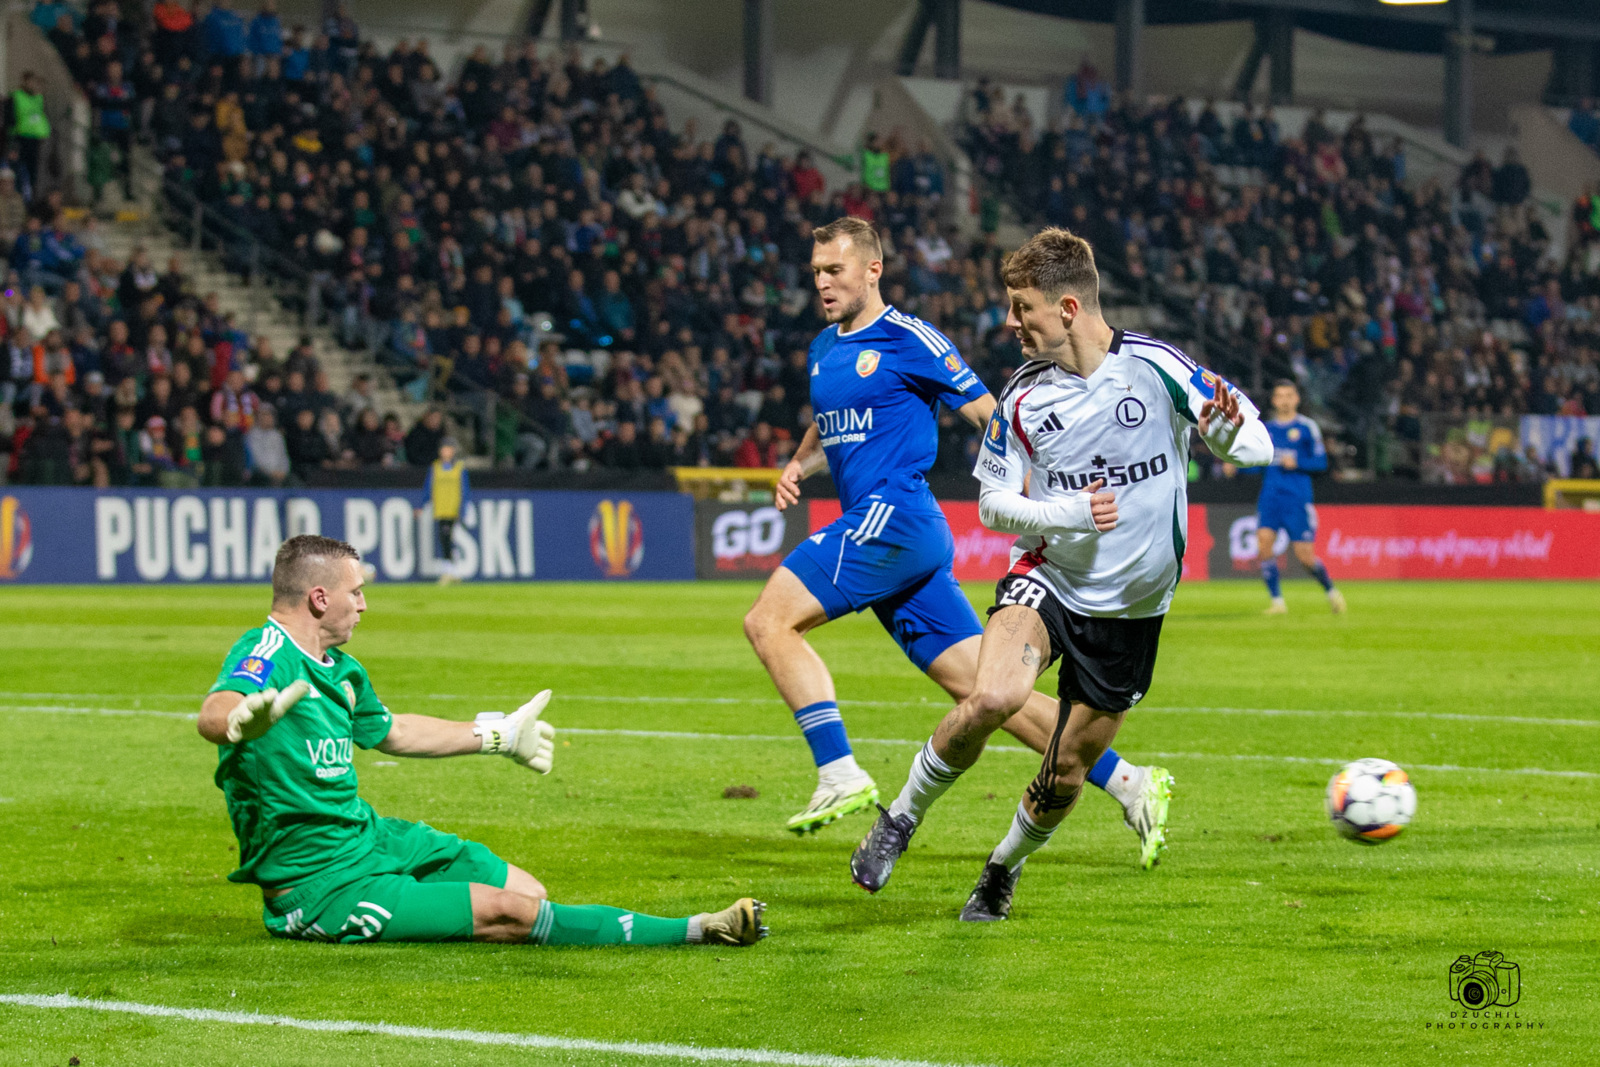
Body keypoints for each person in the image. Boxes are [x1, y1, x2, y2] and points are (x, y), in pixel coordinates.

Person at [849, 227, 1274, 919]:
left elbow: (1255, 442)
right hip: (1049, 577)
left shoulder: (1158, 366)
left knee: (1068, 768)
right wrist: (1071, 511)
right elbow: (991, 502)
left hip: (1134, 609)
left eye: (1022, 308)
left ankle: (1002, 866)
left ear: (1068, 308)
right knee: (993, 697)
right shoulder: (1022, 395)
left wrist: (1228, 435)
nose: (1009, 323)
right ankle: (899, 817)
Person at [742, 217, 1170, 868]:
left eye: (835, 270)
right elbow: (827, 421)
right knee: (986, 693)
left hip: (899, 516)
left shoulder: (910, 338)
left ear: (872, 270)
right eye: (817, 273)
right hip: (888, 540)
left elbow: (989, 412)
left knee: (768, 620)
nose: (823, 283)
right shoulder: (823, 349)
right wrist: (800, 464)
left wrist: (1042, 491)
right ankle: (1128, 780)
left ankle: (839, 771)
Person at [198, 534, 766, 947]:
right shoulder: (265, 652)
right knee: (508, 914)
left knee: (530, 893)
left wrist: (495, 736)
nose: (364, 605)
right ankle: (696, 929)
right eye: (357, 592)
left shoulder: (342, 669)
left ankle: (415, 896)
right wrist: (238, 721)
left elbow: (393, 731)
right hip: (317, 883)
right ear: (320, 598)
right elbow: (216, 710)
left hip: (370, 840)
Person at [1248, 380, 1345, 616]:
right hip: (1270, 497)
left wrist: (1298, 463)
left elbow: (1321, 462)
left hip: (1296, 499)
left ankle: (1331, 591)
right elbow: (1257, 462)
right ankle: (1277, 602)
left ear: (1296, 399)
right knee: (1264, 546)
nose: (1284, 400)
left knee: (1305, 558)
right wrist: (1237, 467)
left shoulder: (1307, 428)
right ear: (1273, 400)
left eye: (1289, 395)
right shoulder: (1265, 429)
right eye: (1279, 396)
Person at [426, 436, 467, 584]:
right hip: (440, 509)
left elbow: (465, 490)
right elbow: (428, 487)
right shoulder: (435, 467)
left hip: (452, 510)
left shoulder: (459, 468)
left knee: (446, 538)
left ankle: (449, 570)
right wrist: (422, 504)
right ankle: (452, 571)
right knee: (445, 539)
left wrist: (462, 510)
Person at [6, 72, 51, 200]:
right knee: (16, 170)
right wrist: (12, 144)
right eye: (31, 81)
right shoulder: (16, 97)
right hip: (20, 138)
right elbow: (10, 120)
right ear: (24, 81)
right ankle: (16, 196)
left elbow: (41, 118)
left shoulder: (38, 98)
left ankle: (30, 198)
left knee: (33, 172)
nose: (33, 85)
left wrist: (43, 133)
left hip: (35, 139)